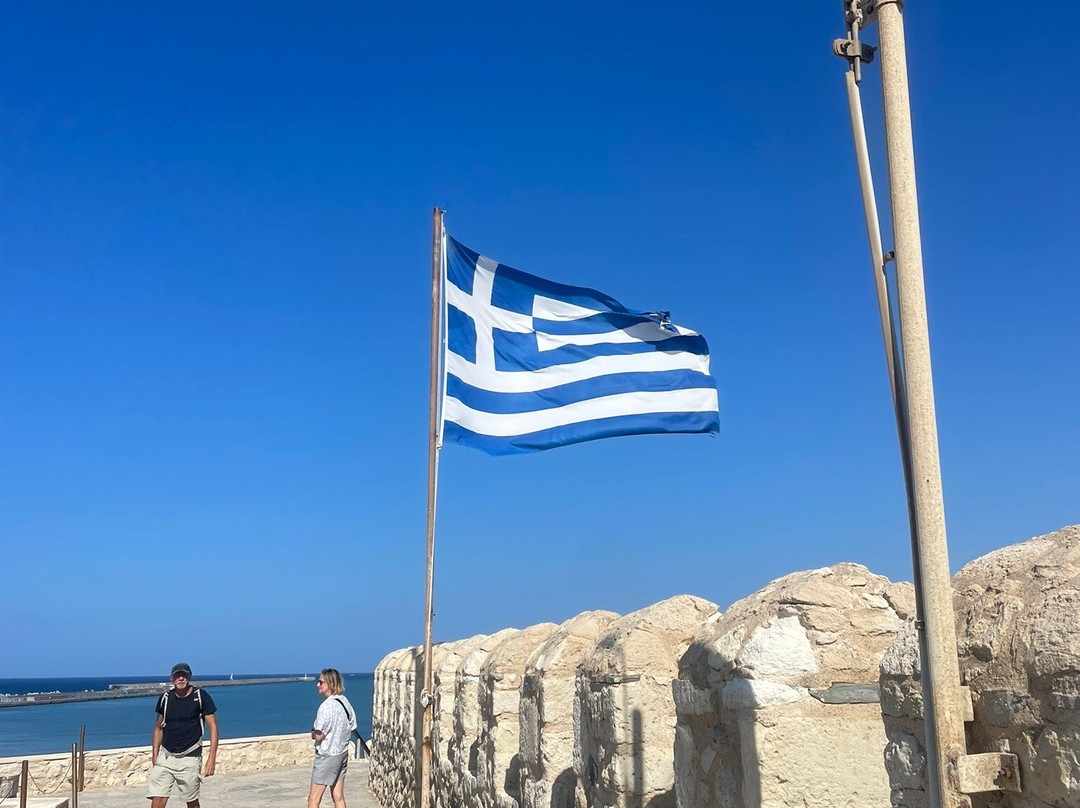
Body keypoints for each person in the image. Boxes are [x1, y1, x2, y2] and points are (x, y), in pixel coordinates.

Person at [147, 662, 219, 808]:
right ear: (172, 679)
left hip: (190, 757)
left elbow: (213, 728)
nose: (181, 678)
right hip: (166, 757)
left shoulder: (200, 696)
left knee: (191, 801)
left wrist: (212, 758)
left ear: (189, 677)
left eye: (184, 675)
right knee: (158, 798)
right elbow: (158, 728)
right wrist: (155, 756)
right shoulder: (165, 699)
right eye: (177, 675)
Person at [308, 668, 356, 808]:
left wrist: (312, 733)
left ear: (329, 683)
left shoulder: (326, 707)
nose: (318, 684)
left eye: (321, 682)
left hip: (327, 755)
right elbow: (352, 725)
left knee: (314, 799)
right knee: (338, 797)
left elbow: (319, 735)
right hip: (341, 753)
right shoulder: (345, 702)